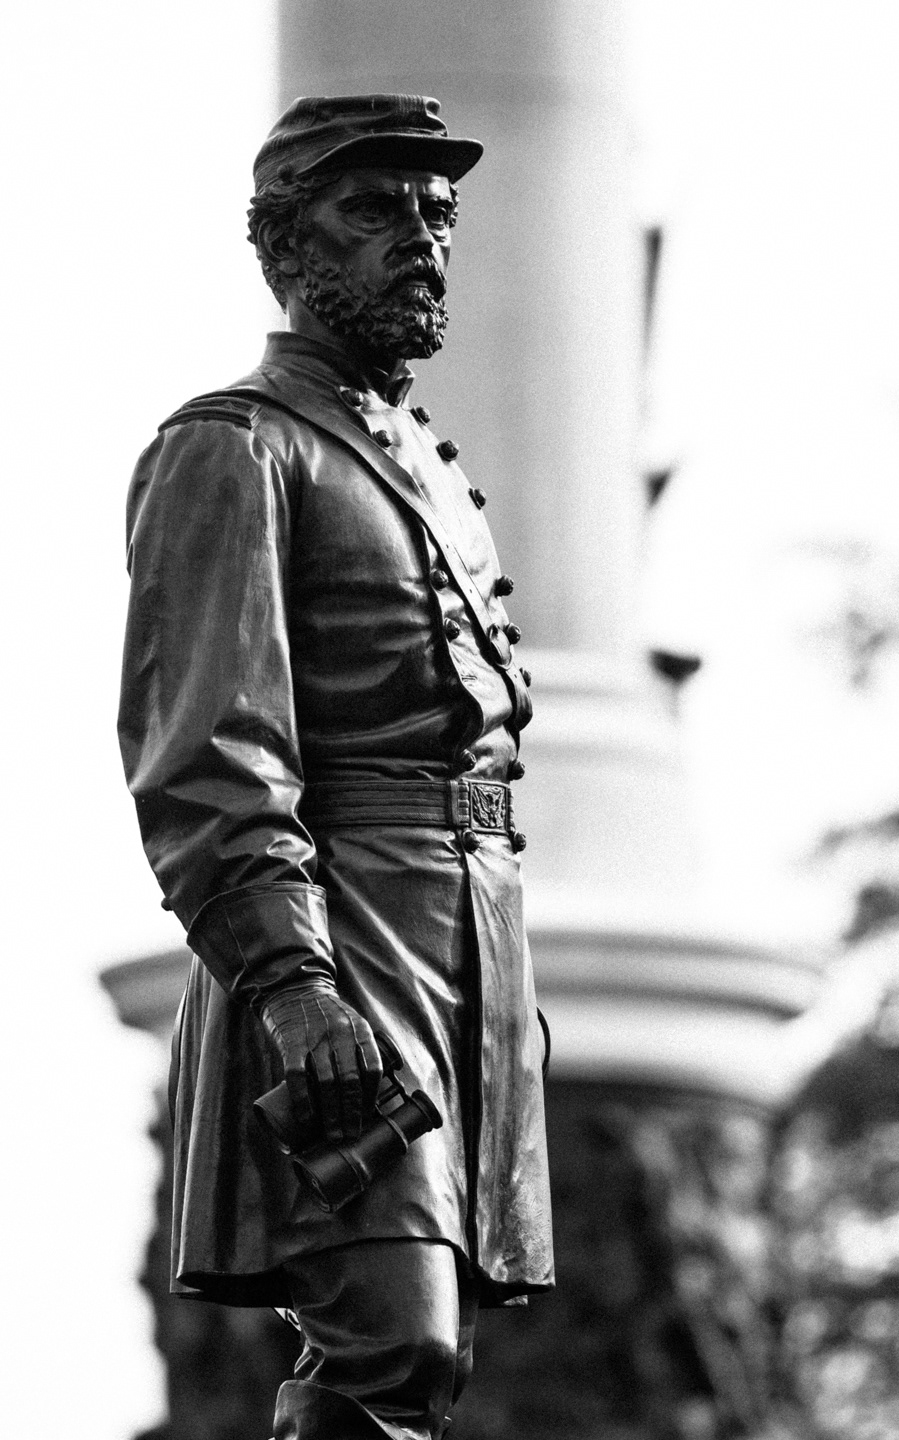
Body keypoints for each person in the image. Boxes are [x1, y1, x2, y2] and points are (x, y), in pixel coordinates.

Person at [119, 93, 554, 1440]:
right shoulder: (234, 447)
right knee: (393, 1344)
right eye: (373, 211)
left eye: (436, 213)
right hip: (348, 937)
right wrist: (292, 981)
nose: (419, 240)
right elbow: (208, 749)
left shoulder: (417, 458)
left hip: (470, 939)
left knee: (421, 1360)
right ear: (286, 246)